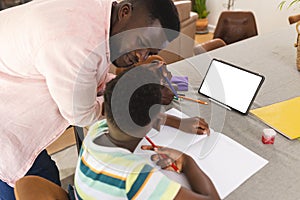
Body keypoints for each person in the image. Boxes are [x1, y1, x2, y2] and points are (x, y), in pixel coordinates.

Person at [0, 0, 209, 199]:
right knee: (27, 173)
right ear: (125, 12)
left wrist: (173, 119)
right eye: (142, 42)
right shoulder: (75, 44)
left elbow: (94, 82)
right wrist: (188, 162)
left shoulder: (102, 15)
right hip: (6, 129)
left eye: (151, 53)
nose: (141, 57)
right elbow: (82, 114)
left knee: (42, 178)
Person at [74, 67, 220, 199]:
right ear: (153, 120)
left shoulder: (97, 130)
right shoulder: (135, 176)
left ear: (105, 108)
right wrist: (187, 162)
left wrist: (179, 122)